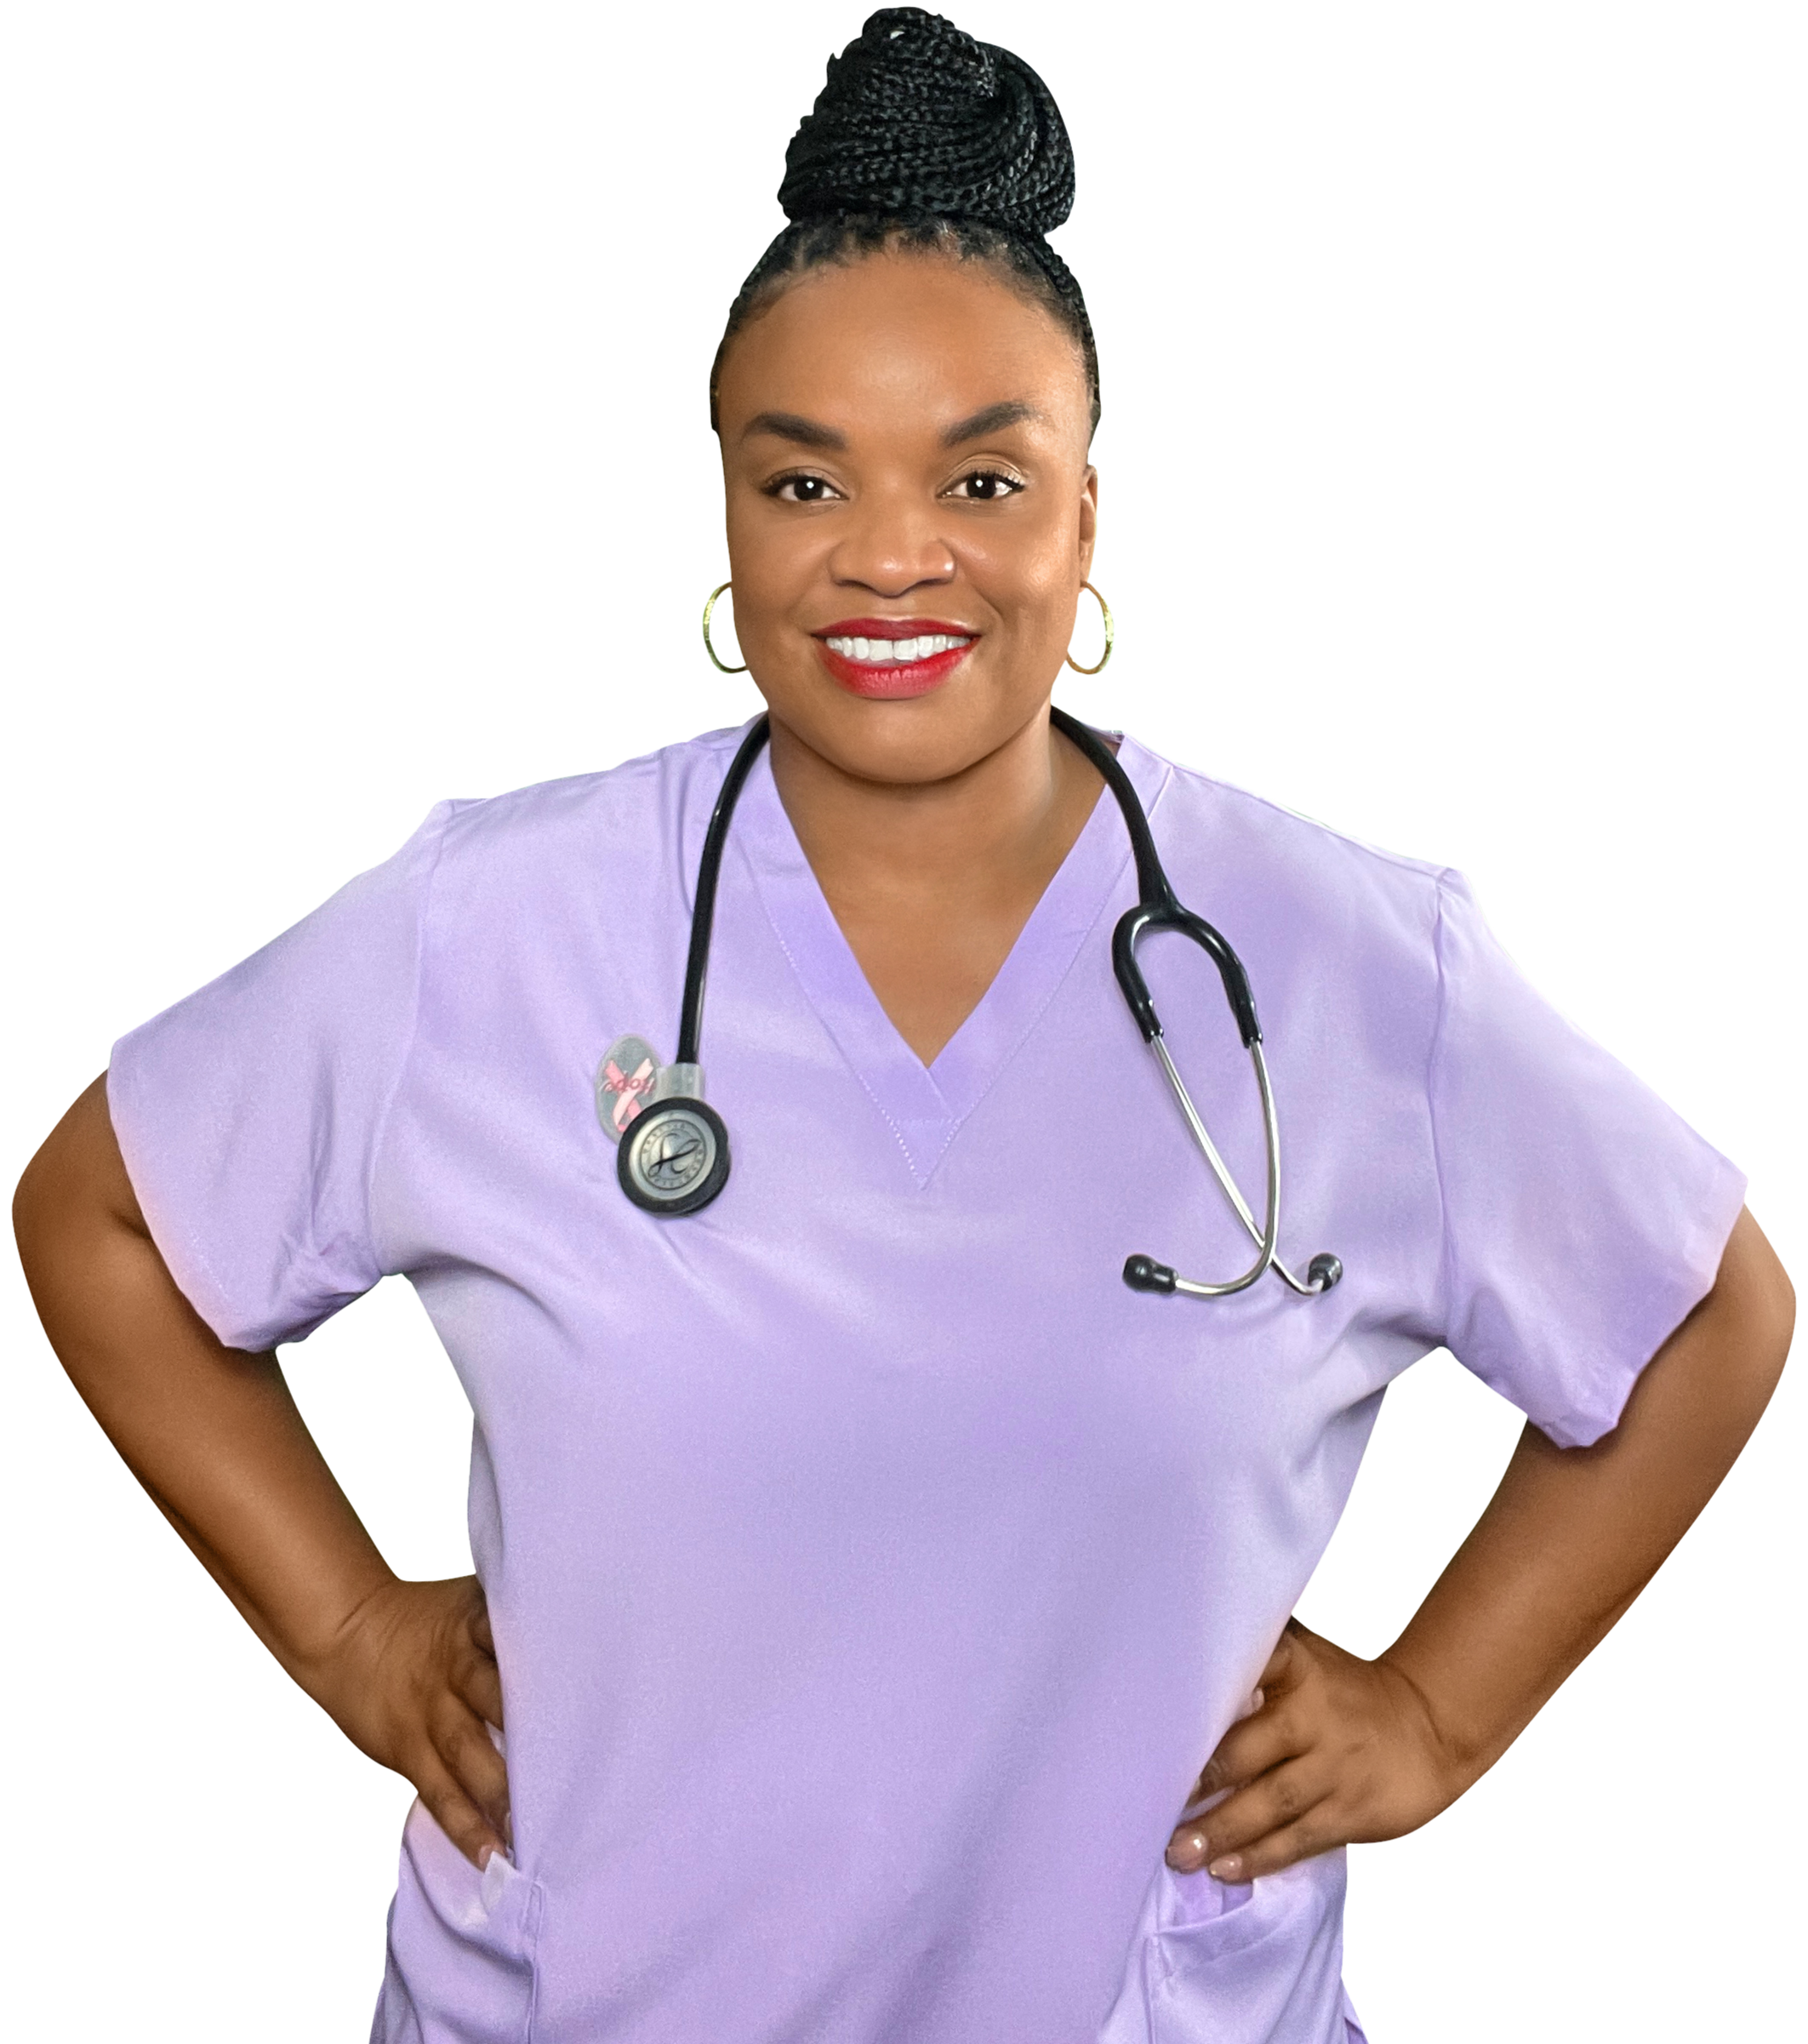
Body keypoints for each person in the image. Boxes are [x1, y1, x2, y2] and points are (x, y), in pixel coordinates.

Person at [12, 12, 1795, 2043]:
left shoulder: (1341, 960)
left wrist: (1440, 1710)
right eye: (804, 477)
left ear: (1084, 515)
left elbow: (1712, 1312)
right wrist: (347, 1630)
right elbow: (100, 1217)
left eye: (981, 473)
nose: (889, 557)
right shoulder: (488, 926)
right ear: (725, 525)